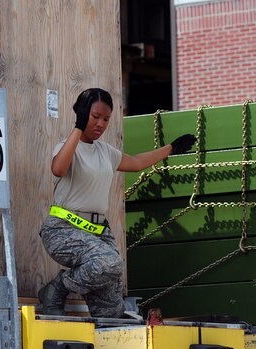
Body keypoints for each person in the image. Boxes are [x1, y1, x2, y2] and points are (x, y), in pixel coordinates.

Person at [38, 88, 195, 317]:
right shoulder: (68, 146)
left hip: (97, 233)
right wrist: (78, 127)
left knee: (111, 310)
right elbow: (58, 168)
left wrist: (170, 148)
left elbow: (137, 162)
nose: (101, 124)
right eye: (95, 117)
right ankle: (56, 289)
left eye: (106, 119)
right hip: (63, 229)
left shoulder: (106, 152)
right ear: (82, 114)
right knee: (110, 263)